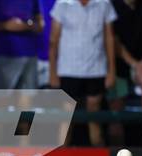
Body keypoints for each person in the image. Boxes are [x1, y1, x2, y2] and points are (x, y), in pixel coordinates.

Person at [49, 0, 117, 146]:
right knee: (65, 122)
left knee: (95, 120)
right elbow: (53, 40)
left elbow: (109, 38)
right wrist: (52, 73)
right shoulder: (62, 5)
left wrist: (111, 71)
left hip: (96, 70)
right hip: (68, 71)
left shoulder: (104, 4)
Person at [110, 0, 142, 147]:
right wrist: (135, 64)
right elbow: (113, 42)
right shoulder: (111, 6)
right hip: (116, 68)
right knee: (115, 121)